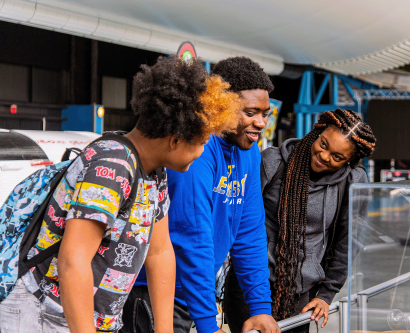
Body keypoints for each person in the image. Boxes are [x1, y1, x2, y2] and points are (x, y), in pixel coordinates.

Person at [0, 55, 241, 332]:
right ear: (175, 140)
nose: (201, 154)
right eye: (201, 143)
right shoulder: (113, 167)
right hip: (46, 313)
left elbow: (159, 252)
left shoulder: (153, 172)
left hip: (89, 319)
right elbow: (72, 261)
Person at [124, 56, 280, 333]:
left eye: (265, 113)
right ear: (223, 105)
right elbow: (191, 237)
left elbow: (250, 232)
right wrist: (208, 323)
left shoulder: (249, 152)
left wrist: (259, 307)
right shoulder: (196, 150)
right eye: (250, 112)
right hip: (155, 295)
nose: (260, 122)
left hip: (196, 295)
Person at [224, 108, 376, 333]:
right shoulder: (273, 162)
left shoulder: (354, 181)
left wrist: (326, 295)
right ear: (318, 131)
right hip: (249, 286)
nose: (325, 156)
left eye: (337, 157)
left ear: (351, 160)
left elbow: (348, 242)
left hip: (301, 295)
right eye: (324, 144)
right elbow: (238, 219)